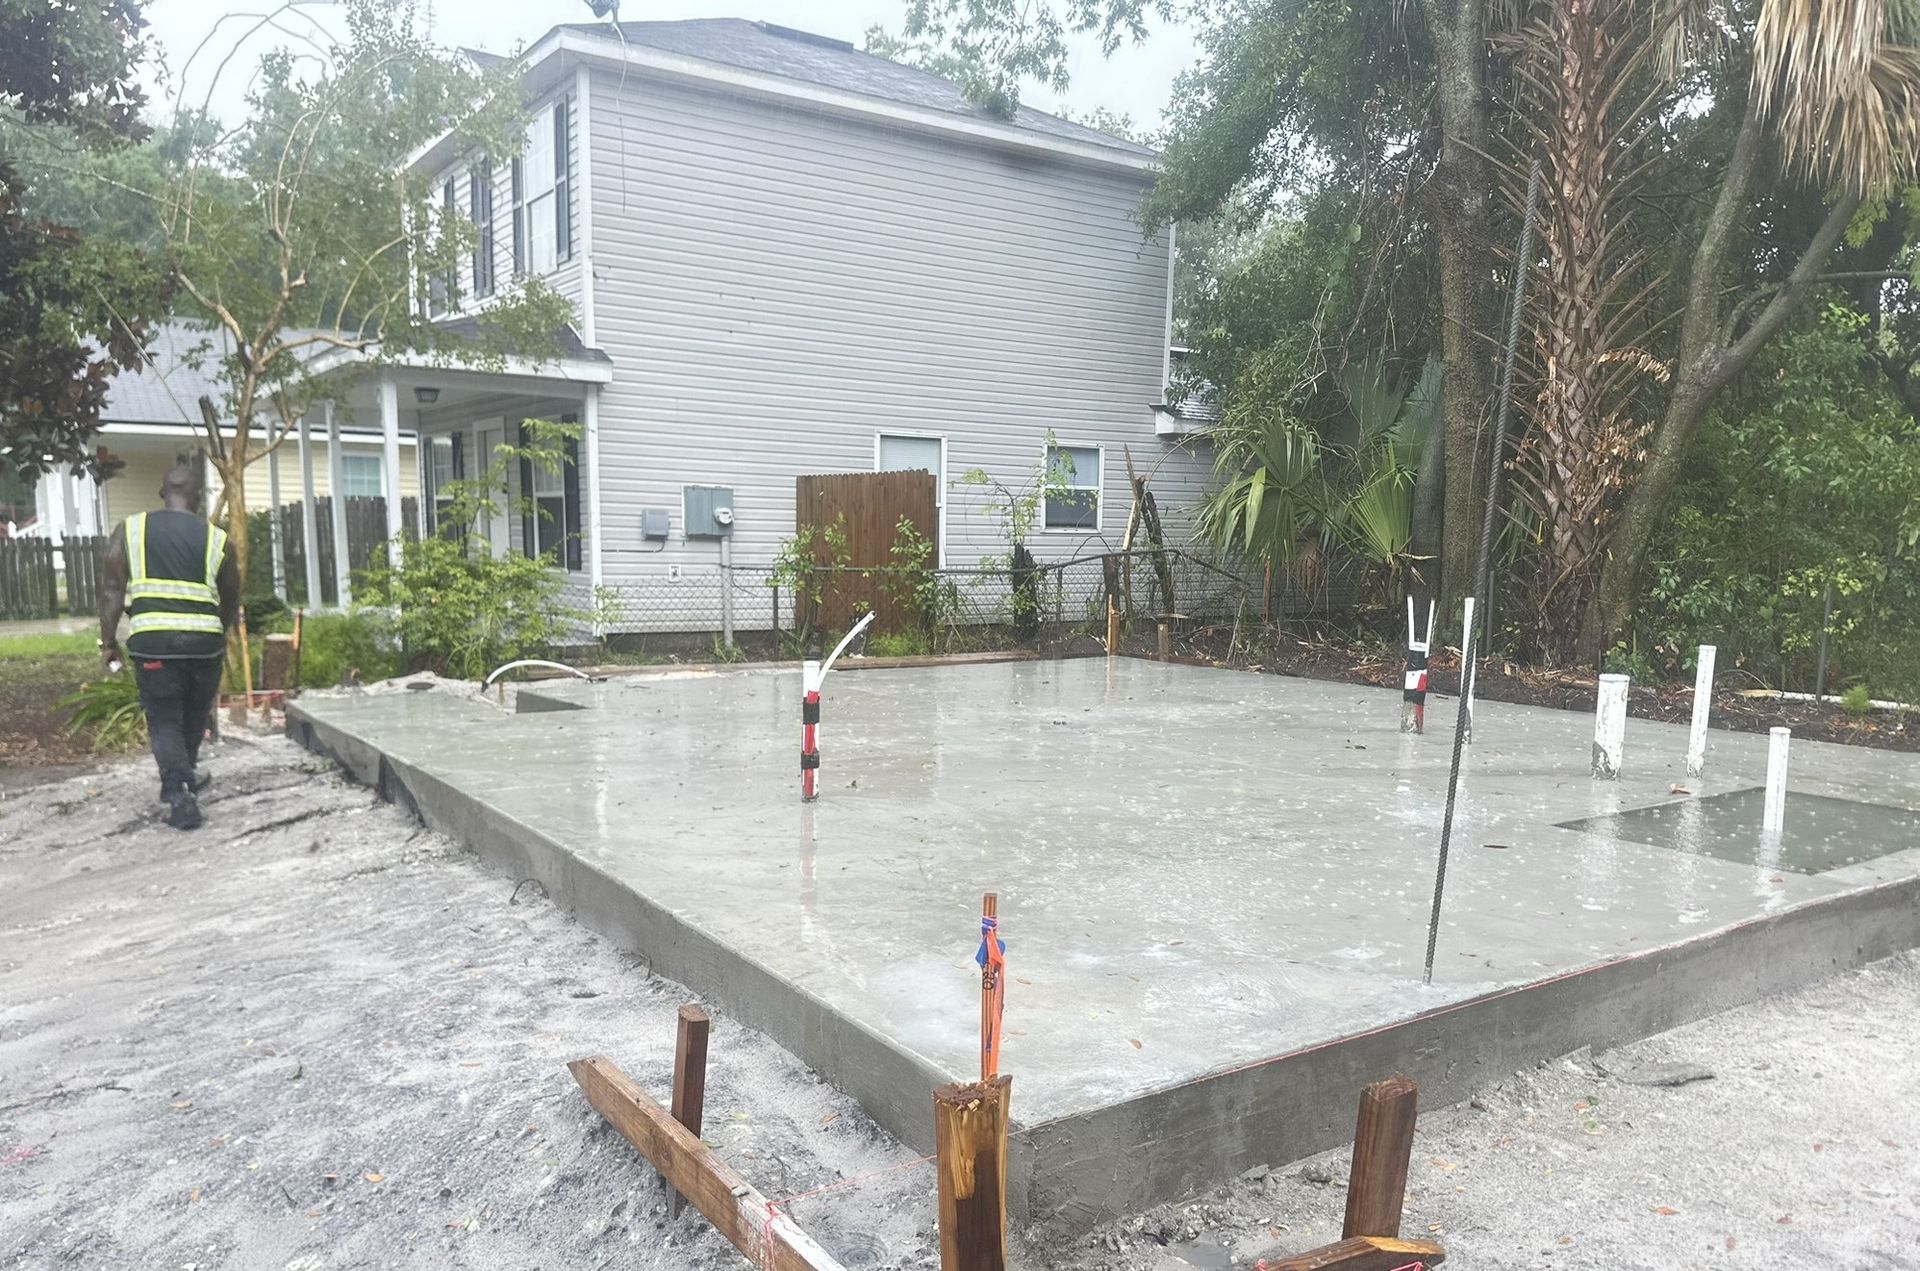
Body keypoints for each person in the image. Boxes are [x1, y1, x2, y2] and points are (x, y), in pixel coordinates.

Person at [98, 464, 241, 829]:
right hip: (203, 645)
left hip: (154, 645)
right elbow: (230, 599)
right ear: (198, 498)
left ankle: (179, 795)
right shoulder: (218, 539)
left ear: (163, 493)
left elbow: (112, 589)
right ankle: (183, 776)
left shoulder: (130, 530)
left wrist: (109, 641)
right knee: (193, 716)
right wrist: (220, 637)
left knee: (164, 720)